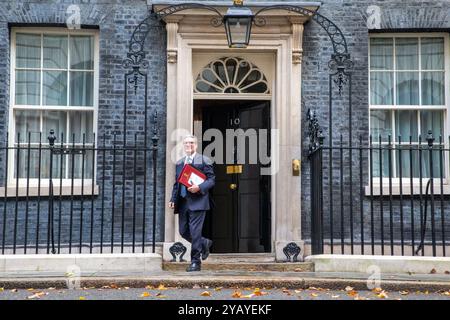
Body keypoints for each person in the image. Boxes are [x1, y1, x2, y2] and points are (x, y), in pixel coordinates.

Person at [169, 135, 215, 272]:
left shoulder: (204, 160)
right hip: (183, 202)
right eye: (186, 143)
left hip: (198, 201)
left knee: (195, 232)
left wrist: (199, 187)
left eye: (191, 143)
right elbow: (177, 184)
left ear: (196, 145)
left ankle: (195, 262)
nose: (189, 145)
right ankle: (204, 242)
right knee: (183, 231)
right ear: (183, 146)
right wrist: (173, 199)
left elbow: (211, 180)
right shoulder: (179, 163)